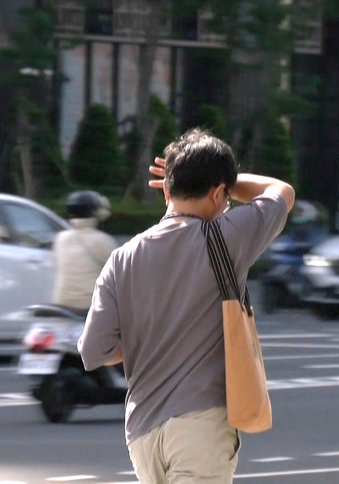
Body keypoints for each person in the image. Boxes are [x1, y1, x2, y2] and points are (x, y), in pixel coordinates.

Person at [78, 129, 295, 484]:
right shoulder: (226, 237)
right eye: (224, 196)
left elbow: (93, 351)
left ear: (166, 190)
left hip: (142, 431)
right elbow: (282, 192)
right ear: (219, 193)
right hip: (201, 425)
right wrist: (229, 181)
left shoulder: (121, 259)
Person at [51, 190, 119, 313]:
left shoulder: (60, 238)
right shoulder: (102, 240)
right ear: (96, 212)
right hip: (90, 307)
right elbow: (120, 272)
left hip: (61, 304)